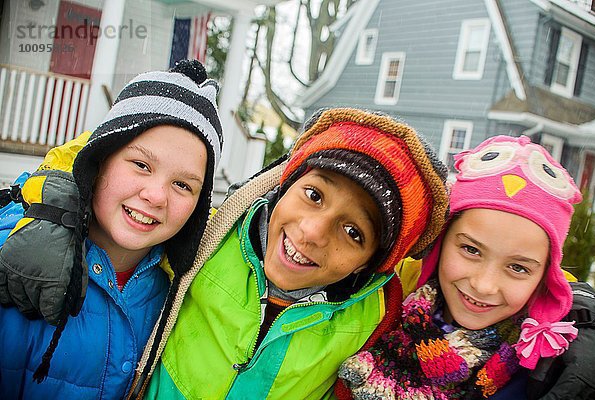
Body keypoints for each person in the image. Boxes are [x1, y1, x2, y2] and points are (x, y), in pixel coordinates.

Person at [124, 107, 450, 399]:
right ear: (284, 187)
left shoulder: (375, 319)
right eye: (313, 194)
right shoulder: (207, 240)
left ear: (369, 264)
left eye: (353, 233)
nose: (311, 231)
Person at [0, 59, 223, 399]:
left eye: (182, 184)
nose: (155, 195)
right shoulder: (13, 256)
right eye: (141, 165)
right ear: (100, 159)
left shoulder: (183, 292)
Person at [337, 135, 595, 399]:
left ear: (545, 277)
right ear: (440, 242)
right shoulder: (384, 294)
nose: (483, 285)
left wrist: (589, 316)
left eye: (518, 268)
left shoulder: (543, 370)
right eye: (471, 250)